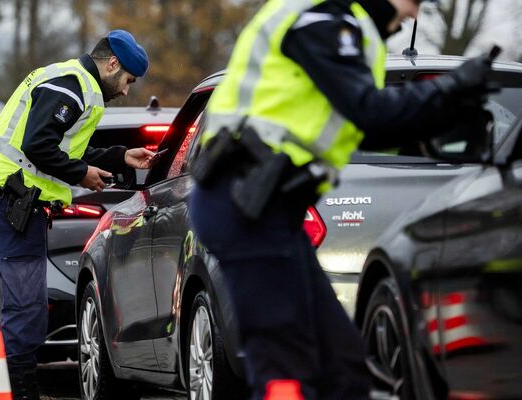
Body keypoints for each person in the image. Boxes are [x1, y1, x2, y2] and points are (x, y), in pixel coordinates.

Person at [188, 0, 495, 398]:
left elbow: (367, 127)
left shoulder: (338, 24)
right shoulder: (322, 18)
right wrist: (450, 88)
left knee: (342, 365)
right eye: (415, 1)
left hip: (268, 208)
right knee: (285, 367)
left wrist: (445, 110)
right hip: (245, 204)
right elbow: (368, 111)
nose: (415, 14)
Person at [0, 30, 155, 400]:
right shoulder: (70, 86)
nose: (125, 91)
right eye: (127, 81)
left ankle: (10, 390)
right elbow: (38, 145)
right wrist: (80, 174)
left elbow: (68, 151)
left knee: (28, 309)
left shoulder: (75, 84)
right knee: (25, 309)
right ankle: (17, 393)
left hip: (18, 203)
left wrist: (120, 156)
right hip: (10, 201)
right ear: (112, 64)